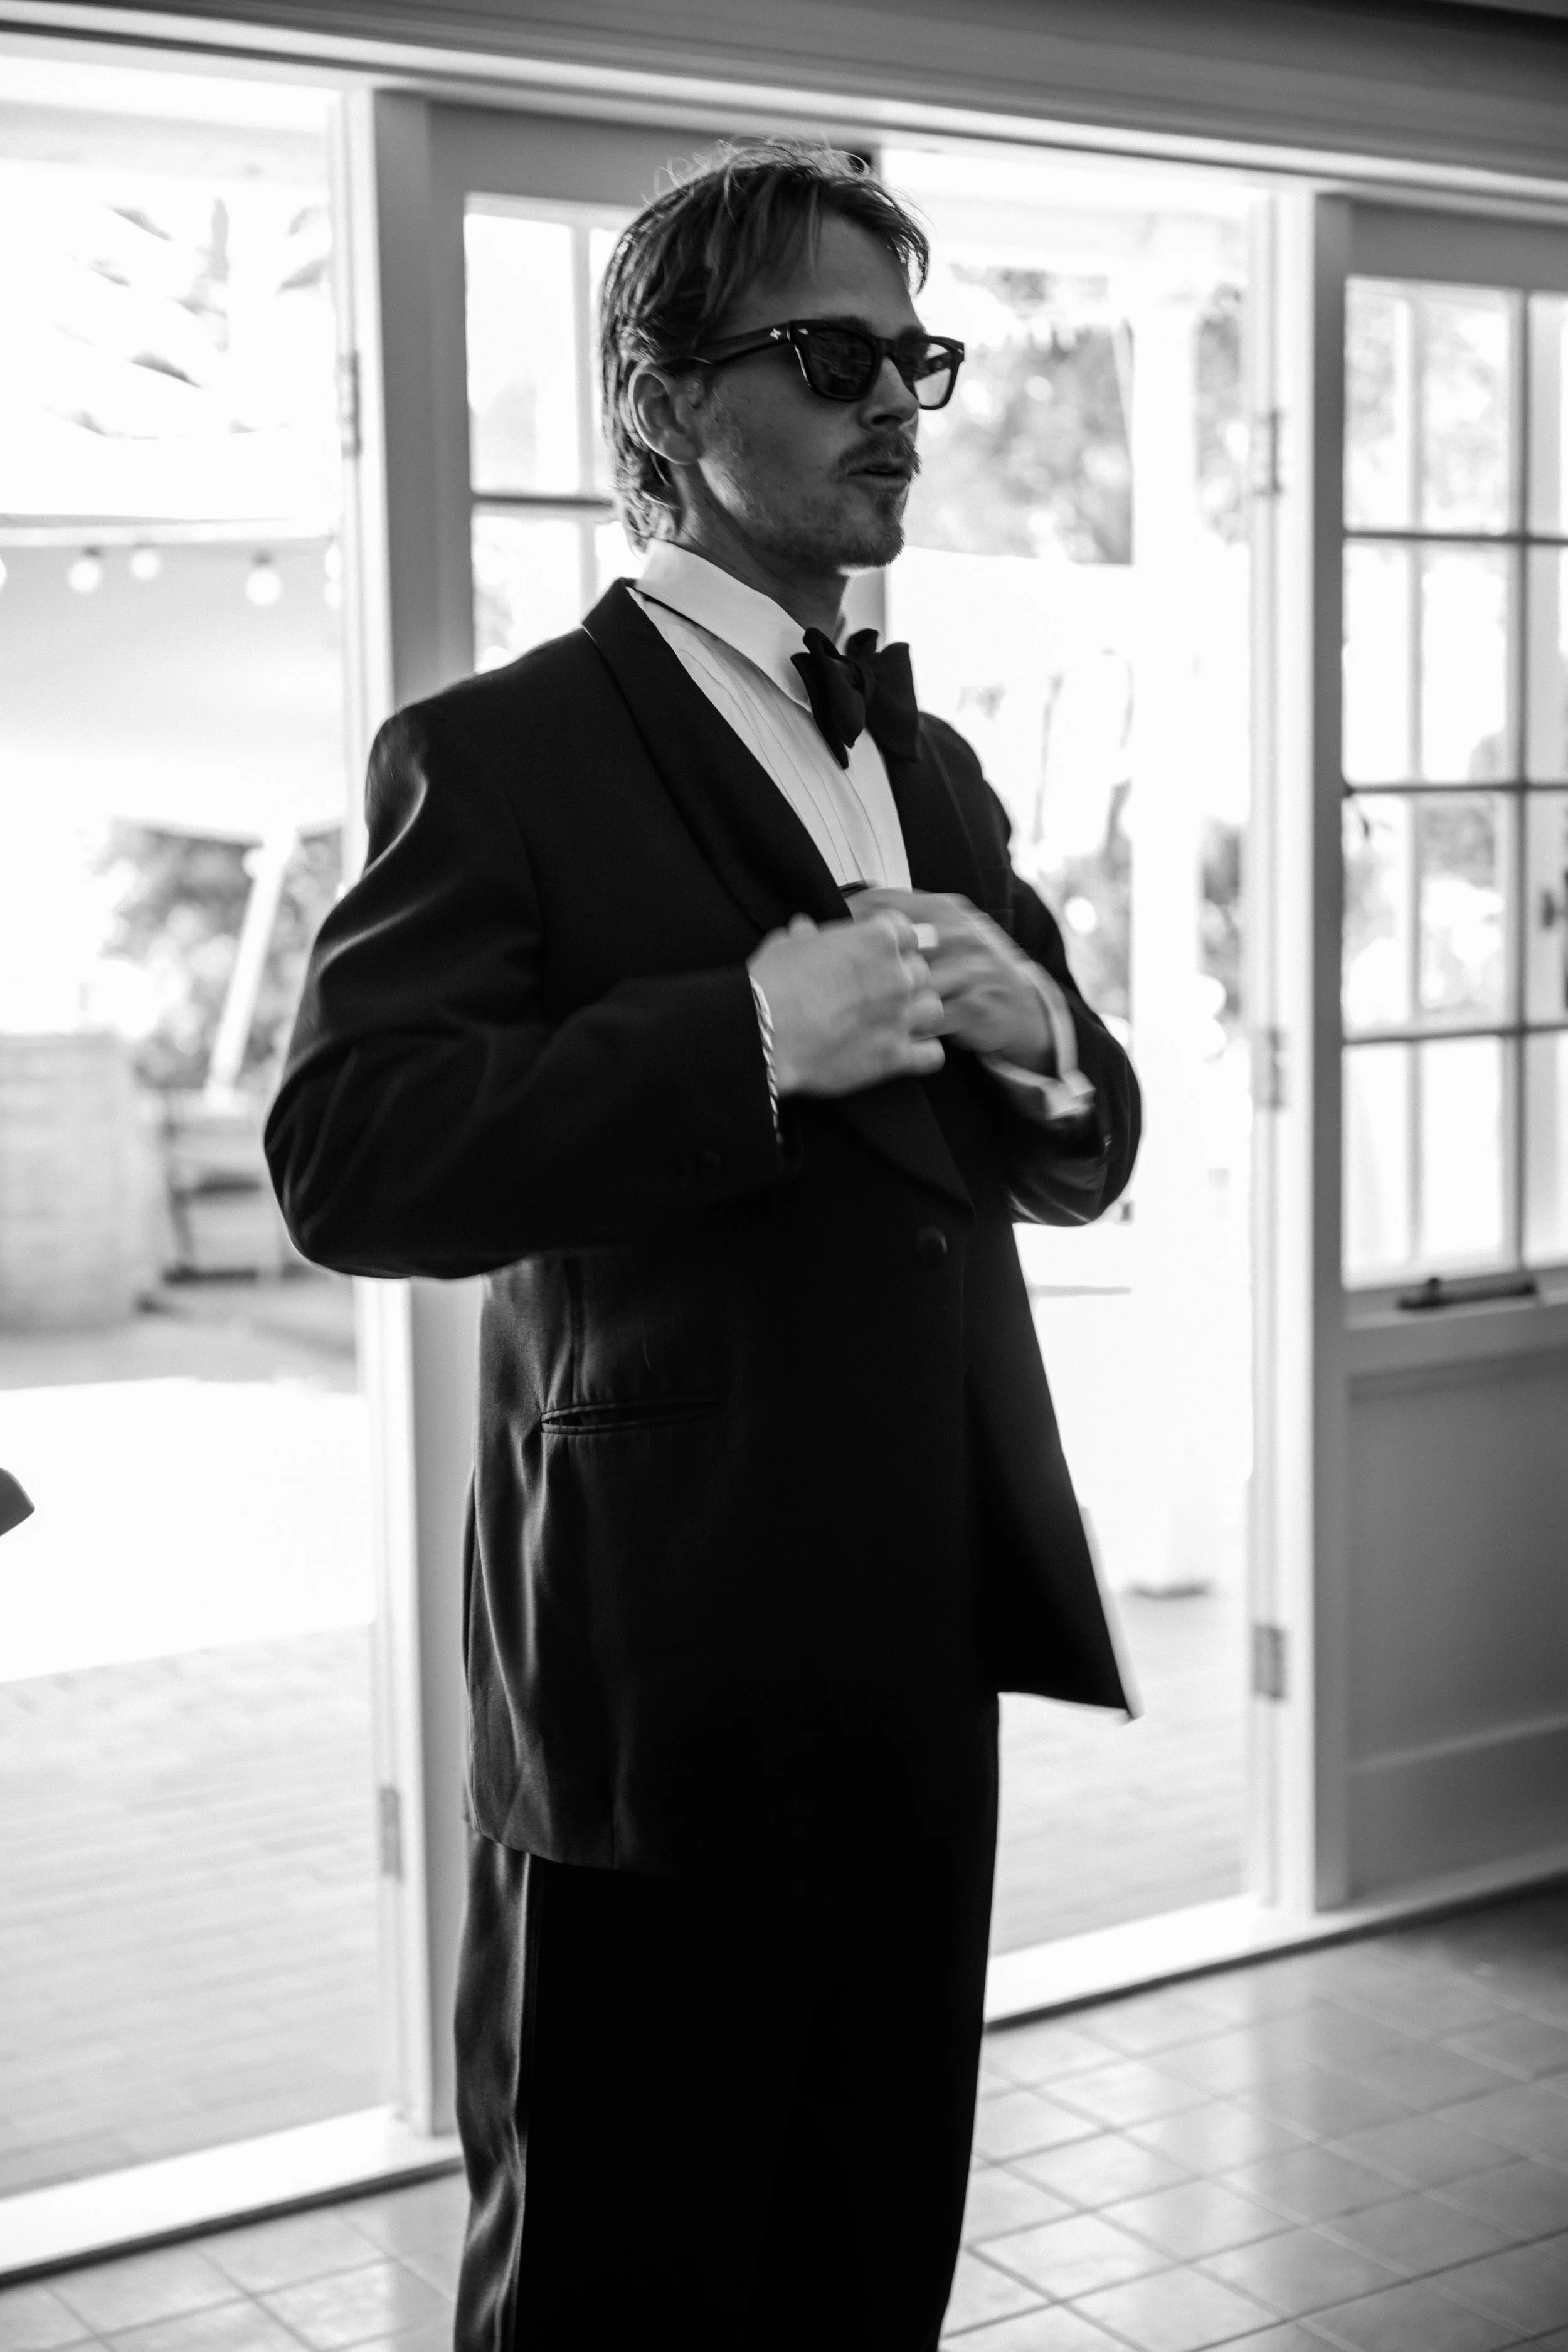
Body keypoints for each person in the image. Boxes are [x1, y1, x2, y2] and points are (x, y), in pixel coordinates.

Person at [266, 140, 1139, 2352]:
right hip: (652, 1696)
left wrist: (1042, 1048)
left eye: (914, 360)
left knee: (865, 2268)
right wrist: (742, 1033)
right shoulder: (496, 754)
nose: (896, 409)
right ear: (658, 404)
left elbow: (1071, 1152)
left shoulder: (925, 758)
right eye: (828, 357)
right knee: (618, 2295)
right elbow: (351, 1157)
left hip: (922, 1657)